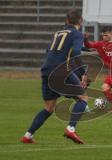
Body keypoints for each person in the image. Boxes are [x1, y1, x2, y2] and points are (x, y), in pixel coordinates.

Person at [20, 9, 88, 144]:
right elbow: (75, 52)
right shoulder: (77, 34)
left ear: (67, 21)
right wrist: (82, 72)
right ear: (80, 21)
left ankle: (28, 136)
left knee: (49, 106)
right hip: (60, 70)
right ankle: (71, 129)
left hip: (46, 69)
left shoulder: (57, 33)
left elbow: (49, 50)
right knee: (83, 98)